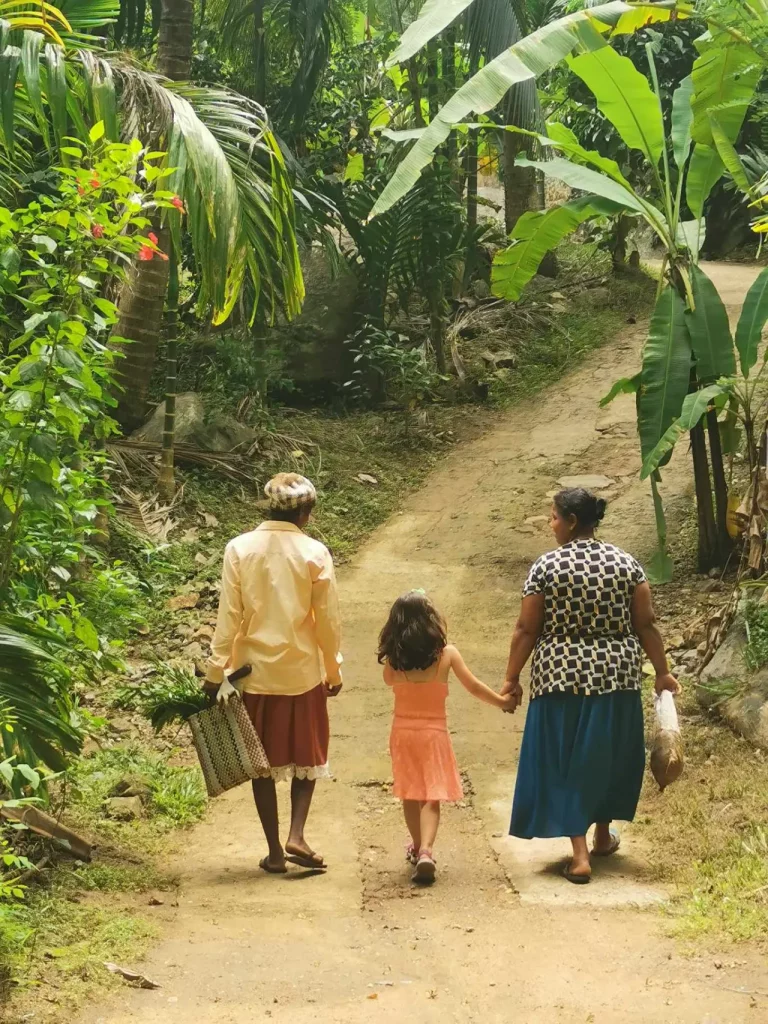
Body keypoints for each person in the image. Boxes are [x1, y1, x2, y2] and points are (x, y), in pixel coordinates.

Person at [501, 487, 680, 884]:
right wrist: (662, 671)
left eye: (553, 517)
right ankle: (602, 835)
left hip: (559, 677)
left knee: (566, 761)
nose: (550, 524)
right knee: (606, 756)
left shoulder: (546, 568)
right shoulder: (626, 563)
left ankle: (580, 855)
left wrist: (512, 678)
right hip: (615, 676)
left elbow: (526, 628)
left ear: (572, 522)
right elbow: (645, 623)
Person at [205, 472, 343, 874]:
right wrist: (333, 670)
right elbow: (327, 621)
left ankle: (275, 853)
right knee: (308, 755)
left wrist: (216, 671)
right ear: (307, 512)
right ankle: (296, 833)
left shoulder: (239, 549)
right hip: (301, 672)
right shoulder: (315, 553)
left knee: (260, 762)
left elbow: (228, 615)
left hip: (254, 674)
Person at [378, 590, 515, 884]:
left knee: (410, 792)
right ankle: (427, 850)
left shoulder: (394, 661)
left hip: (403, 733)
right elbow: (474, 686)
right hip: (434, 733)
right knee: (431, 794)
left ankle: (415, 847)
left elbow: (389, 680)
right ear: (431, 621)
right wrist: (502, 702)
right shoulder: (447, 655)